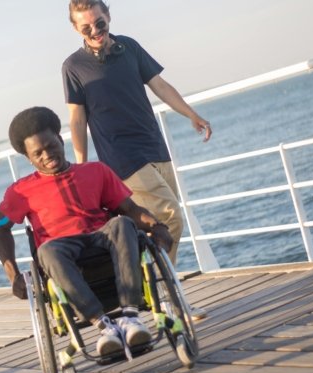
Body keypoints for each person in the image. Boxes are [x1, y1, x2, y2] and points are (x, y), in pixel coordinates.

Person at [63, 0, 211, 319]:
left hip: (154, 146)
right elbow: (77, 118)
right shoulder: (73, 66)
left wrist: (191, 115)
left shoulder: (129, 46)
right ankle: (167, 296)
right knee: (171, 218)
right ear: (76, 29)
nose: (95, 31)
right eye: (86, 27)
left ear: (108, 17)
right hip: (121, 156)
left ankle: (154, 290)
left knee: (153, 226)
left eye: (99, 23)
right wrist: (82, 164)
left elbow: (159, 85)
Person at [0, 106, 175, 357]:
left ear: (59, 137)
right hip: (61, 248)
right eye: (38, 153)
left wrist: (157, 226)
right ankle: (104, 326)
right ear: (29, 158)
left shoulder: (95, 171)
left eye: (50, 145)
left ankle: (130, 318)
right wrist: (12, 275)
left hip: (101, 235)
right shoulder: (21, 191)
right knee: (46, 251)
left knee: (123, 224)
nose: (47, 154)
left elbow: (130, 208)